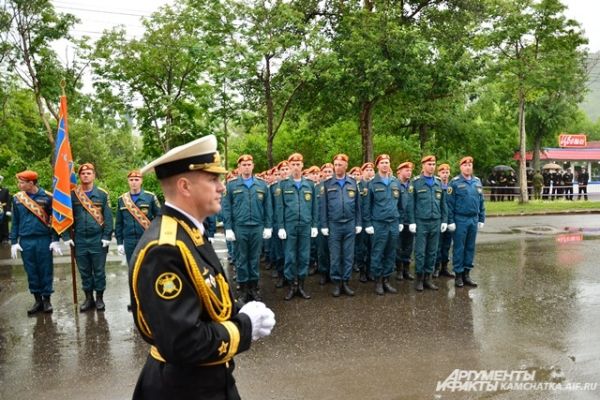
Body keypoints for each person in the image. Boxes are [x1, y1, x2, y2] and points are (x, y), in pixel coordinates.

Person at [129, 134, 275, 400]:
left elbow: (205, 300)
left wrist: (241, 310)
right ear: (185, 186)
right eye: (213, 179)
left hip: (206, 379)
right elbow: (183, 343)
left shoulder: (190, 232)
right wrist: (244, 327)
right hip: (184, 388)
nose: (222, 187)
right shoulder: (165, 249)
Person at [62, 163, 113, 312]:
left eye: (89, 173)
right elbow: (65, 216)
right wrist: (66, 236)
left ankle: (99, 299)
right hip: (79, 240)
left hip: (97, 239)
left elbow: (108, 217)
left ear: (94, 175)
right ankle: (88, 298)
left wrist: (107, 236)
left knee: (98, 271)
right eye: (83, 173)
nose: (86, 175)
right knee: (84, 271)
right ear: (79, 176)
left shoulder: (102, 195)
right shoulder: (72, 195)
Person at [10, 170, 62, 314]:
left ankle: (47, 301)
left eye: (22, 182)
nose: (19, 185)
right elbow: (15, 221)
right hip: (26, 240)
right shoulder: (17, 199)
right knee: (31, 271)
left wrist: (55, 239)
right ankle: (37, 300)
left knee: (45, 270)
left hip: (43, 239)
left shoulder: (47, 197)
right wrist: (14, 241)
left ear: (31, 183)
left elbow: (56, 220)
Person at [223, 154, 273, 302]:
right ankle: (244, 290)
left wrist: (268, 226)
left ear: (253, 166)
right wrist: (228, 228)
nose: (246, 167)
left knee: (254, 258)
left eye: (249, 164)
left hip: (257, 226)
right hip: (240, 227)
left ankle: (254, 288)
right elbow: (227, 208)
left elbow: (268, 207)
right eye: (243, 165)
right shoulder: (232, 185)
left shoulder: (262, 185)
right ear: (239, 167)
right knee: (241, 259)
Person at [275, 153, 318, 301]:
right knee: (290, 256)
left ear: (302, 165)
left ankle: (301, 285)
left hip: (305, 226)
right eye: (292, 164)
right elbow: (280, 208)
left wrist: (314, 225)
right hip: (290, 226)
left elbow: (314, 207)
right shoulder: (283, 184)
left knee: (304, 256)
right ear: (289, 166)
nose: (295, 167)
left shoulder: (310, 185)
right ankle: (292, 285)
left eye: (298, 164)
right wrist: (280, 226)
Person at [320, 154, 361, 297]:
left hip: (349, 224)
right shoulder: (327, 184)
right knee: (336, 256)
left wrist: (358, 223)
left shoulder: (352, 183)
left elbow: (357, 205)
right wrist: (324, 225)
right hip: (334, 225)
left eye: (340, 165)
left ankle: (346, 282)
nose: (337, 167)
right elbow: (323, 206)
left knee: (348, 256)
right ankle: (337, 283)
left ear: (346, 166)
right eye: (335, 164)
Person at [407, 155, 447, 292]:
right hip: (421, 221)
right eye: (429, 164)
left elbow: (443, 204)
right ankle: (419, 278)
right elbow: (410, 204)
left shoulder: (438, 182)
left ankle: (428, 278)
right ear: (423, 165)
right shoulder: (416, 182)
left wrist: (444, 220)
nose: (432, 166)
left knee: (432, 251)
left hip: (435, 221)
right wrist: (412, 221)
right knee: (420, 252)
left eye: (434, 164)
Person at [364, 154, 400, 295]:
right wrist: (368, 223)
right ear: (377, 165)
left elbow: (401, 205)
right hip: (379, 223)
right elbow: (366, 206)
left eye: (387, 162)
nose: (385, 164)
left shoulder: (395, 182)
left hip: (393, 223)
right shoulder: (371, 184)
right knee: (378, 252)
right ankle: (378, 281)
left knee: (391, 253)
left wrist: (400, 221)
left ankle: (386, 280)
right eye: (382, 162)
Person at [447, 156, 486, 288]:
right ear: (461, 167)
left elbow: (481, 202)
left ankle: (467, 274)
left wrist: (481, 218)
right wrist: (450, 221)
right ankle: (458, 275)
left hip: (473, 219)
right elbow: (449, 204)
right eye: (465, 165)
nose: (468, 167)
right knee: (459, 247)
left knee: (470, 247)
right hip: (460, 219)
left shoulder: (477, 182)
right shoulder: (455, 182)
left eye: (470, 165)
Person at [115, 170, 161, 264]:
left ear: (141, 181)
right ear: (128, 181)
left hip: (146, 238)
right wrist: (119, 243)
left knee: (147, 266)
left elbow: (159, 218)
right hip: (129, 241)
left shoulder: (150, 197)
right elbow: (119, 223)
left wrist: (157, 237)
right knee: (132, 267)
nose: (134, 182)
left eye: (136, 179)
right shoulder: (122, 199)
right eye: (131, 180)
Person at [395, 161, 415, 282]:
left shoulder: (412, 185)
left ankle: (406, 270)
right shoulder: (394, 184)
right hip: (398, 221)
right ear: (399, 172)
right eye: (406, 170)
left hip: (410, 221)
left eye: (410, 170)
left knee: (408, 247)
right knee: (398, 247)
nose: (409, 172)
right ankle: (398, 270)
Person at [434, 163, 455, 278]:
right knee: (438, 245)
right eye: (443, 172)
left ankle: (444, 267)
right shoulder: (436, 186)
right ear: (439, 173)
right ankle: (436, 267)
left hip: (450, 220)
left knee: (447, 245)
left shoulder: (452, 187)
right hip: (439, 219)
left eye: (447, 172)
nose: (445, 175)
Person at [0, 175, 11, 242]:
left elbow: (8, 201)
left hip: (3, 210)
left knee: (4, 223)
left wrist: (8, 210)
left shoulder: (5, 190)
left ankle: (5, 237)